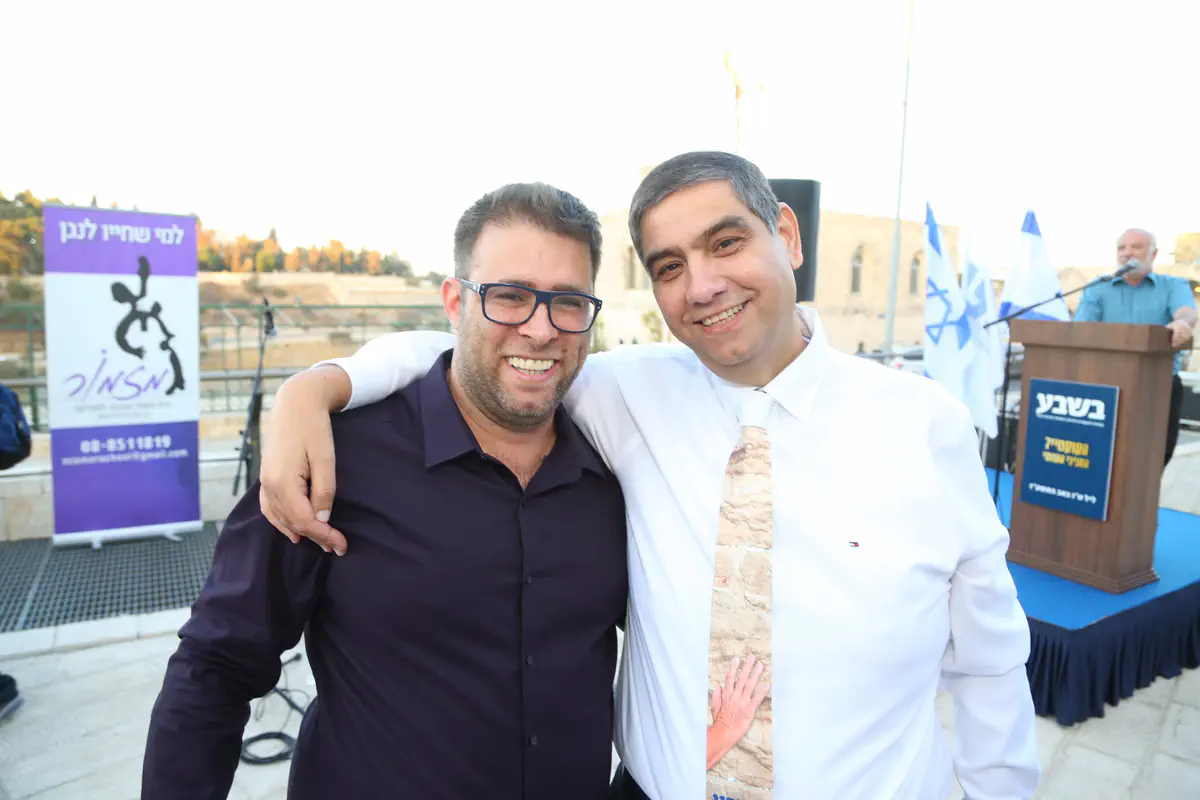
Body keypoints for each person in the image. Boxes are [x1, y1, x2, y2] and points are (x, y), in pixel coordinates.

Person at [259, 151, 1040, 799]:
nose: (701, 285)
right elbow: (483, 352)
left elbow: (990, 660)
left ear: (787, 235)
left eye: (726, 243)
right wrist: (320, 386)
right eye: (670, 266)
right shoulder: (626, 393)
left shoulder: (924, 427)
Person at [142, 183, 635, 800]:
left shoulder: (617, 469)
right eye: (510, 296)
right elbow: (216, 666)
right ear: (455, 302)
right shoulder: (335, 457)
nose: (541, 329)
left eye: (568, 302)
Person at [1073, 228, 1197, 465]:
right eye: (1122, 248)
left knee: (1153, 459)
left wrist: (1182, 323)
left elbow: (1186, 312)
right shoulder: (1098, 287)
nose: (1127, 253)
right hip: (1104, 386)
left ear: (1154, 254)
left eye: (1136, 247)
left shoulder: (1173, 285)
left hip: (1159, 386)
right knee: (1101, 458)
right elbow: (1081, 330)